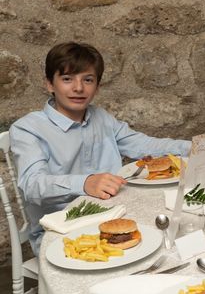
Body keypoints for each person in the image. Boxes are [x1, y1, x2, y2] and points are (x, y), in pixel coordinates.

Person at [10, 42, 191, 254]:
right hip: (61, 231)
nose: (78, 88)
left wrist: (192, 147)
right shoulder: (28, 128)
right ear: (50, 84)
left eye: (88, 80)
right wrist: (85, 183)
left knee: (177, 234)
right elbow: (32, 185)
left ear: (97, 87)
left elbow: (144, 144)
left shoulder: (101, 118)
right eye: (67, 79)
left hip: (116, 216)